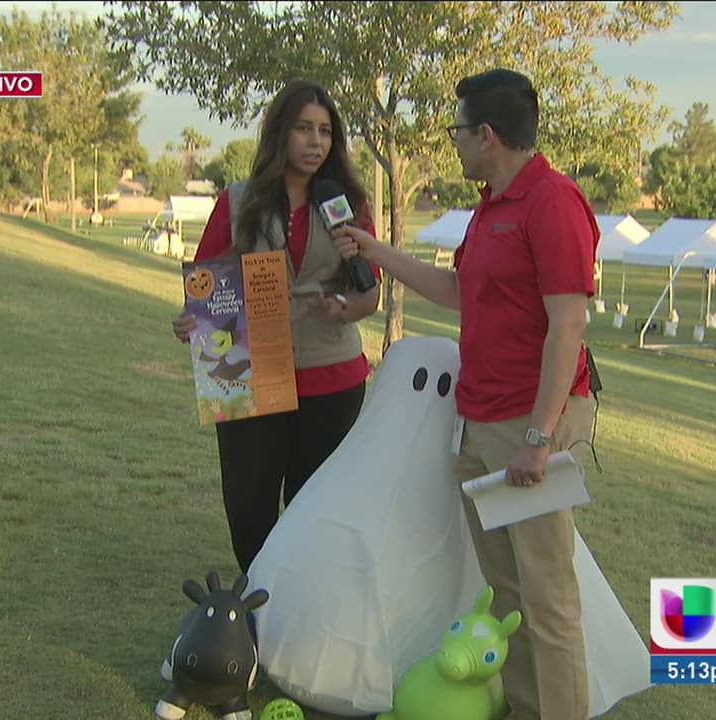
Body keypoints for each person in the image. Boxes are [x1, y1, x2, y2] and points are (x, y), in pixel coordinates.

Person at [330, 69, 600, 720]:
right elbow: (459, 292)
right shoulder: (490, 206)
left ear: (486, 134)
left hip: (530, 421)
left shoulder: (552, 202)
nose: (452, 141)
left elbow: (568, 325)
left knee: (547, 593)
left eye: (457, 129)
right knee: (508, 590)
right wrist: (375, 251)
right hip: (479, 419)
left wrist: (538, 438)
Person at [172, 80, 381, 574]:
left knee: (316, 512)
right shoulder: (238, 200)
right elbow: (206, 284)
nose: (315, 142)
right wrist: (192, 321)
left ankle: (304, 606)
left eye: (325, 132)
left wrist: (342, 307)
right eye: (304, 129)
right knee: (248, 511)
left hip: (331, 378)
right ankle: (260, 598)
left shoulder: (348, 204)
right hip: (248, 374)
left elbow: (369, 294)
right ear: (280, 133)